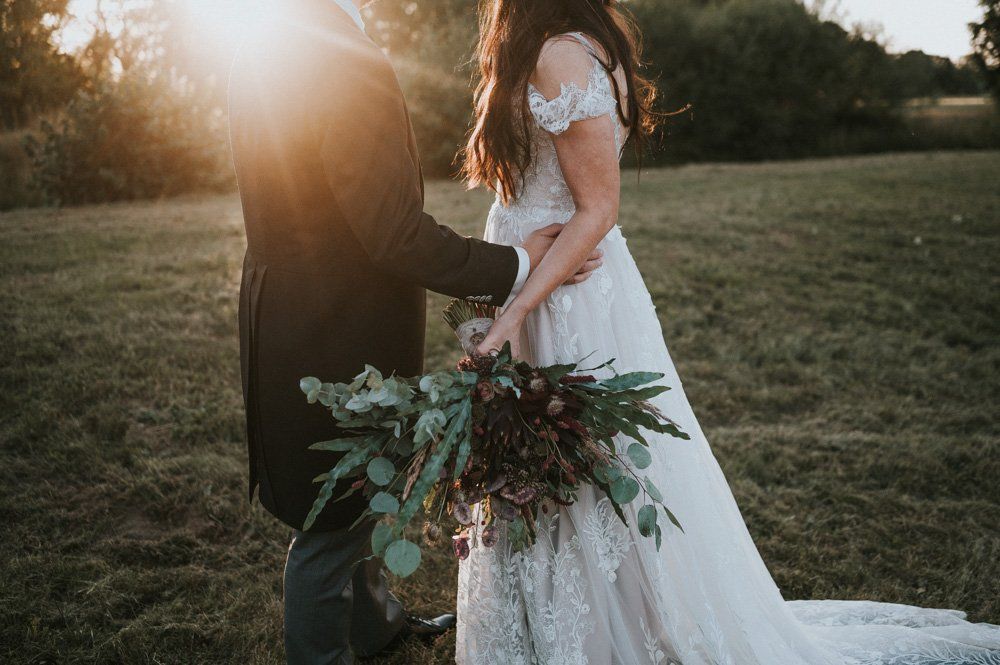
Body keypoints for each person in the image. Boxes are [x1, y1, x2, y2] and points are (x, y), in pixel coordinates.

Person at [455, 1, 1000, 663]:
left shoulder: (561, 52)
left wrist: (514, 312)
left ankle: (604, 632)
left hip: (558, 293)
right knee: (540, 457)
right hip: (535, 275)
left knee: (576, 460)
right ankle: (548, 622)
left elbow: (598, 207)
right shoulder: (576, 38)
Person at [226, 0, 604, 662]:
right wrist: (518, 262)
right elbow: (393, 232)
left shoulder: (266, 43)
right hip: (333, 321)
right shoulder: (344, 61)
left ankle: (375, 624)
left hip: (287, 312)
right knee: (331, 521)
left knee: (362, 484)